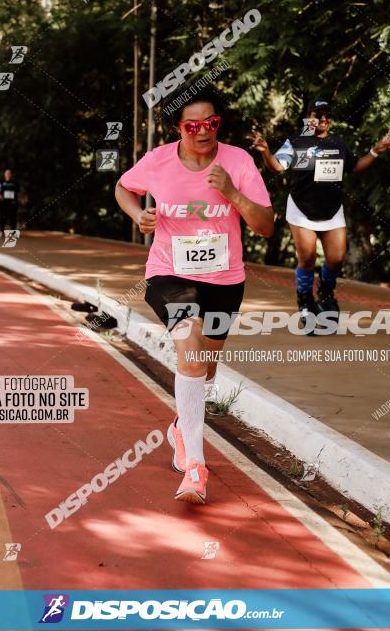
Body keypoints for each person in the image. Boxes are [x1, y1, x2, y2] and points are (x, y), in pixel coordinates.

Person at [115, 86, 274, 504]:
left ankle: (179, 430)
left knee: (206, 368)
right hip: (170, 273)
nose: (204, 132)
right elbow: (122, 187)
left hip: (224, 279)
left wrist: (233, 194)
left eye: (211, 123)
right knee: (191, 345)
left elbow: (266, 226)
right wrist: (139, 215)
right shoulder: (159, 161)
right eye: (193, 125)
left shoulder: (238, 161)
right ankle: (196, 466)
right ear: (177, 128)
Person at [252, 98, 390, 332]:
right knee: (306, 258)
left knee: (336, 258)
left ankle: (326, 291)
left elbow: (355, 166)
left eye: (327, 115)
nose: (323, 119)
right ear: (308, 118)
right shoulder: (296, 142)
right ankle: (305, 300)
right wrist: (266, 152)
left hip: (331, 209)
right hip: (301, 208)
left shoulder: (338, 143)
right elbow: (277, 167)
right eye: (318, 114)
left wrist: (375, 151)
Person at [0, 169, 20, 238]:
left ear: (11, 174)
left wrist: (16, 199)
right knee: (3, 217)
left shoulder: (15, 182)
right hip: (3, 203)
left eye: (9, 173)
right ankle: (1, 231)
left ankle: (13, 232)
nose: (8, 174)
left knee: (13, 218)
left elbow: (18, 192)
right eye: (7, 173)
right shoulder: (1, 182)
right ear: (4, 174)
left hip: (12, 203)